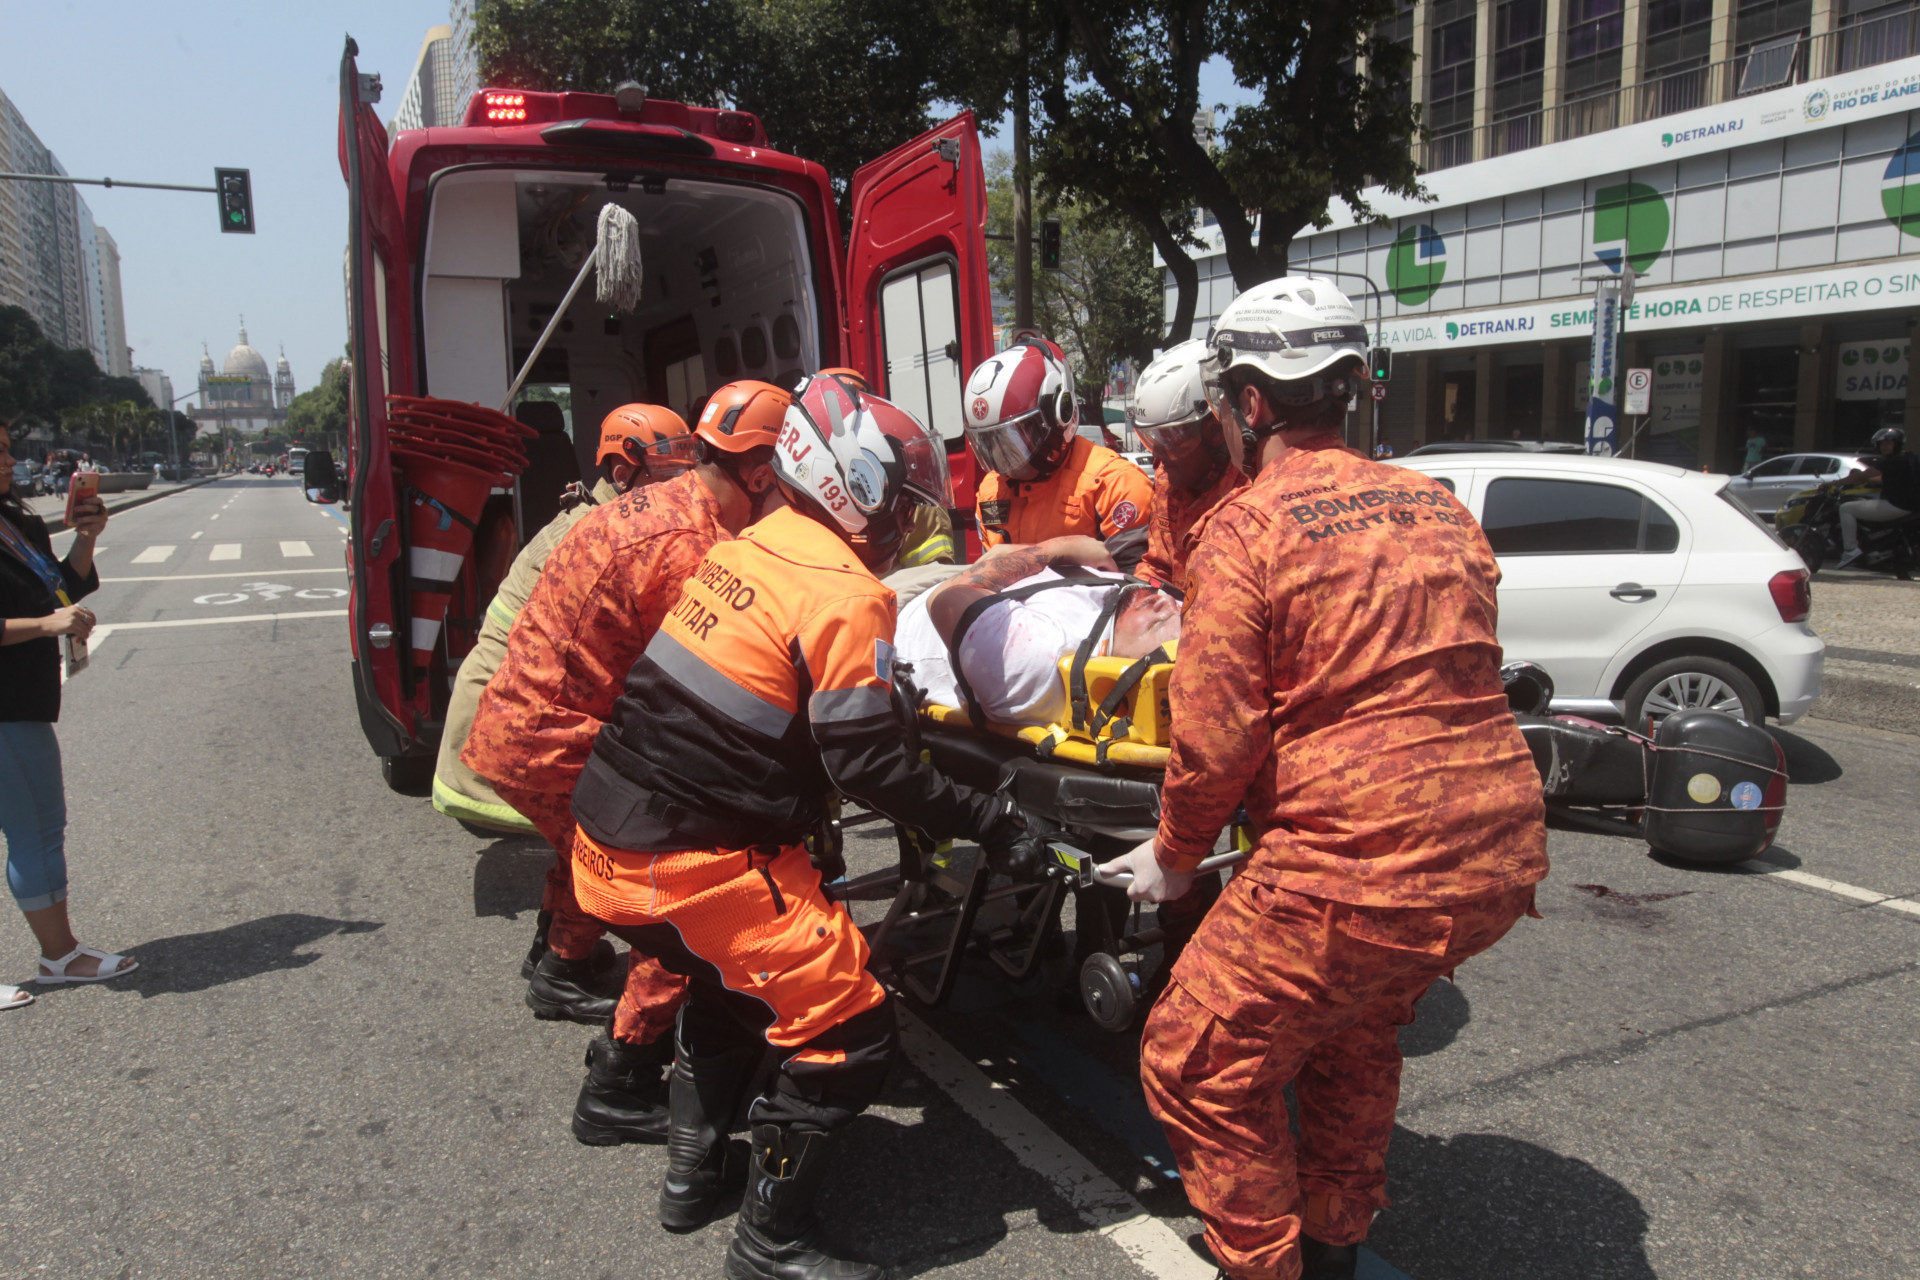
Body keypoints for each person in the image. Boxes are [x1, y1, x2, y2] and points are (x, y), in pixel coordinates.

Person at [1097, 278, 1548, 1280]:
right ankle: (1335, 1246)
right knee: (1351, 1033)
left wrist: (1172, 857)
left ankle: (1264, 1265)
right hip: (1496, 847)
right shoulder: (1439, 508)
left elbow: (1216, 736)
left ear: (1250, 403)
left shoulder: (1247, 530)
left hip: (1356, 859)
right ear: (1349, 384)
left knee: (1194, 1056)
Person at [566, 373, 1047, 1276]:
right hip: (689, 858)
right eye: (900, 502)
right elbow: (868, 765)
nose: (906, 523)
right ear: (852, 490)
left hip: (604, 843)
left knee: (725, 988)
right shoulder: (845, 592)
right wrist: (995, 820)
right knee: (850, 1030)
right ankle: (771, 1240)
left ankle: (692, 1177)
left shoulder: (745, 548)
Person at [464, 384, 792, 1146]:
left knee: (586, 854)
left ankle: (561, 964)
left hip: (523, 726)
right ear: (760, 472)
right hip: (555, 740)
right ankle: (623, 1077)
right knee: (684, 900)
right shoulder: (692, 552)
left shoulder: (660, 508)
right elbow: (703, 688)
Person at [434, 403, 698, 838]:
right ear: (621, 475)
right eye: (668, 475)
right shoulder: (595, 537)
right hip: (503, 740)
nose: (682, 488)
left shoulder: (604, 518)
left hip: (507, 717)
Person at [0, 422, 136, 1011]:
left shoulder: (16, 521)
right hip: (7, 709)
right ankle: (61, 956)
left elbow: (59, 584)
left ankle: (60, 955)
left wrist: (86, 536)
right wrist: (47, 626)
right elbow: (47, 613)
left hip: (25, 696)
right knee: (36, 831)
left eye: (6, 446)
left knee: (35, 829)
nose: (9, 459)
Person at [894, 536, 1181, 728]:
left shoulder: (1038, 661)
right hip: (1007, 573)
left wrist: (1054, 547)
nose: (1165, 602)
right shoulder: (1171, 618)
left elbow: (947, 598)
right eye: (1184, 614)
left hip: (911, 601)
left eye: (1156, 623)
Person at [964, 338, 1153, 570]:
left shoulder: (1116, 484)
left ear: (1060, 415)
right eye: (990, 442)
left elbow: (1139, 586)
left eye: (1014, 438)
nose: (1002, 456)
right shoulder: (990, 491)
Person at [1130, 340, 1248, 597]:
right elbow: (1157, 567)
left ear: (1215, 430)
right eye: (1152, 438)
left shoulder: (1250, 491)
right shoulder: (1167, 481)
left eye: (1171, 438)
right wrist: (1137, 604)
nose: (1158, 454)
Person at [1834, 426, 1919, 570]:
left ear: (1896, 444)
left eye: (1888, 443)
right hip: (1908, 506)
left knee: (1846, 508)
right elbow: (1887, 478)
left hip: (1896, 506)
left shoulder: (1891, 460)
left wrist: (1833, 483)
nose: (1884, 447)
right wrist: (1869, 480)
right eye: (1882, 444)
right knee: (1861, 504)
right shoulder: (1906, 458)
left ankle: (1850, 550)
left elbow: (1862, 475)